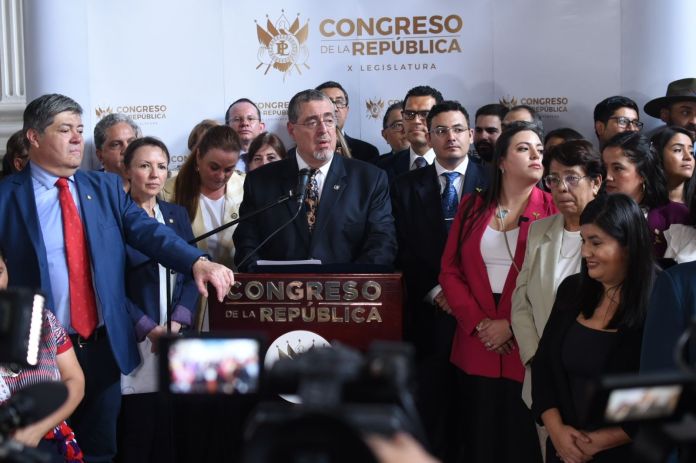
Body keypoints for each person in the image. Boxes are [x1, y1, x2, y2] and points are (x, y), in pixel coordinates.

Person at [0, 93, 234, 461]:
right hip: (39, 355)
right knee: (39, 452)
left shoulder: (104, 189)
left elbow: (149, 233)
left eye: (79, 129)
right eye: (65, 130)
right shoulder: (6, 198)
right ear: (33, 137)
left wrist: (196, 263)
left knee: (100, 451)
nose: (78, 138)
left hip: (101, 346)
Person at [440, 121, 556, 463]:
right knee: (479, 443)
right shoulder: (472, 207)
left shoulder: (552, 209)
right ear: (502, 162)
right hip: (475, 342)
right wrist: (478, 323)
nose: (536, 154)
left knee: (523, 446)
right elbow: (449, 270)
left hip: (528, 345)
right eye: (524, 148)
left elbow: (557, 282)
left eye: (540, 149)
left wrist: (510, 323)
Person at [390, 100, 488, 461]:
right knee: (433, 412)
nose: (451, 138)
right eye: (442, 131)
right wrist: (436, 292)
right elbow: (398, 249)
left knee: (477, 416)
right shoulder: (403, 187)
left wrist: (465, 298)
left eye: (458, 129)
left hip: (481, 318)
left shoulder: (493, 181)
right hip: (428, 316)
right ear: (428, 136)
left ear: (471, 135)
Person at [532, 193, 655, 462]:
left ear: (629, 245)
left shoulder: (659, 301)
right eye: (584, 241)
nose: (585, 252)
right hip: (564, 449)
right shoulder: (571, 291)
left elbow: (665, 393)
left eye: (596, 242)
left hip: (626, 453)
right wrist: (558, 433)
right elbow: (543, 365)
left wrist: (596, 443)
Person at [233, 89, 396, 271]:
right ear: (291, 130)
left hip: (346, 293)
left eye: (329, 120)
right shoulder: (260, 181)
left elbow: (382, 243)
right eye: (312, 122)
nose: (323, 130)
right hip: (280, 294)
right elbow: (247, 243)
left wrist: (349, 285)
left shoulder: (369, 179)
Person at [511, 140, 603, 453]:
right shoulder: (540, 230)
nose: (561, 188)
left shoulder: (617, 233)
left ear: (596, 182)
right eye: (553, 179)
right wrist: (537, 358)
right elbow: (520, 301)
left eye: (572, 178)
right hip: (543, 375)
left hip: (594, 374)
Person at [118, 137, 200, 463]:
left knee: (173, 432)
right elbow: (110, 287)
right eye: (144, 165)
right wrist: (149, 328)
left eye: (161, 166)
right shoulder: (115, 220)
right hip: (136, 340)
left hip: (176, 338)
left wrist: (177, 321)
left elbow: (195, 270)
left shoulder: (176, 214)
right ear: (126, 170)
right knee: (138, 433)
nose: (155, 174)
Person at [0, 248, 85, 462]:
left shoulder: (43, 319)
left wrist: (36, 431)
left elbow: (75, 380)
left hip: (48, 442)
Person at [163, 125, 244, 270]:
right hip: (189, 286)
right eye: (214, 167)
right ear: (198, 156)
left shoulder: (246, 187)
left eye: (228, 169)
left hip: (237, 286)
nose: (220, 176)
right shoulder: (167, 192)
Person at [601, 132, 677, 258]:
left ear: (642, 173)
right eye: (605, 168)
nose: (607, 177)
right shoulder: (597, 214)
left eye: (617, 168)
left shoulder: (673, 216)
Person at [376, 86, 444, 182]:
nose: (416, 121)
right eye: (409, 114)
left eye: (425, 114)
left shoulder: (457, 163)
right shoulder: (382, 169)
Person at [316, 81, 380, 163]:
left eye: (339, 102)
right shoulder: (304, 149)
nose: (335, 108)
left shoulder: (368, 152)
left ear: (347, 111)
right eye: (328, 102)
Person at [93, 113, 140, 180]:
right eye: (116, 144)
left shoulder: (149, 184)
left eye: (131, 142)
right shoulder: (89, 187)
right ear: (100, 156)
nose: (127, 150)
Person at [225, 98, 265, 172]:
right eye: (237, 119)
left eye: (250, 118)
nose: (244, 123)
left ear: (261, 127)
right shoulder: (220, 161)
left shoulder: (273, 159)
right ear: (227, 128)